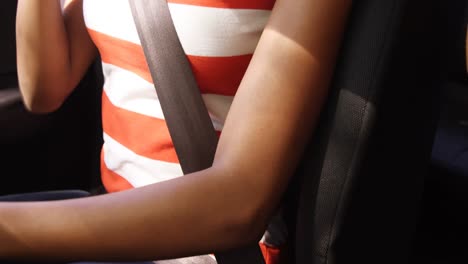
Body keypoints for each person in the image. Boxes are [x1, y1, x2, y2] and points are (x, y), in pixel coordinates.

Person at [3, 0, 351, 262]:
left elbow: (239, 203)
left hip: (205, 253)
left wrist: (11, 230)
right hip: (108, 227)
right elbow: (44, 90)